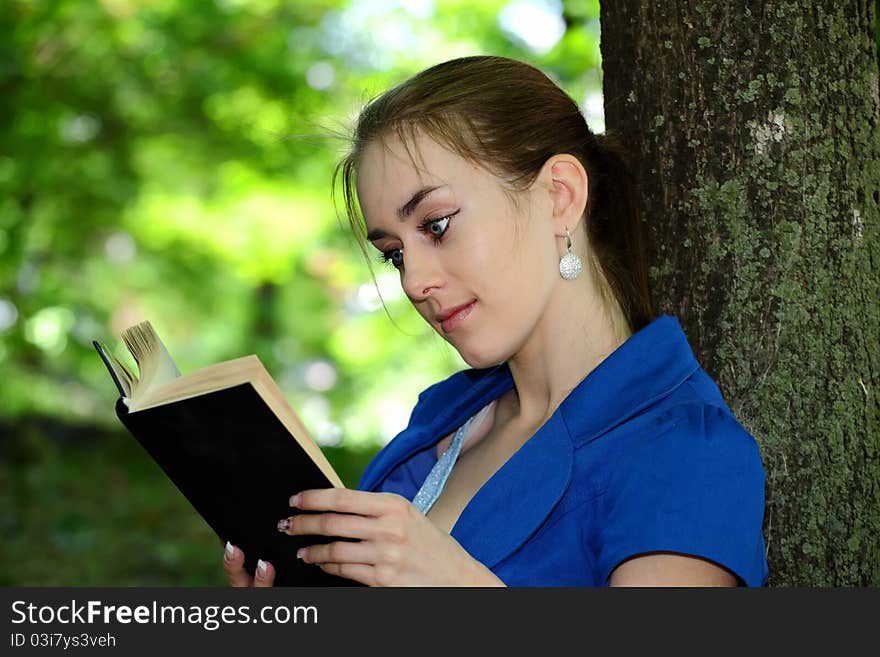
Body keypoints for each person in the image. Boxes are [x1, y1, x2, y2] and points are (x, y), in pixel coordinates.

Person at [223, 55, 768, 587]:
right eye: (394, 253)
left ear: (559, 196)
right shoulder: (436, 430)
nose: (413, 282)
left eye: (436, 225)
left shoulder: (685, 450)